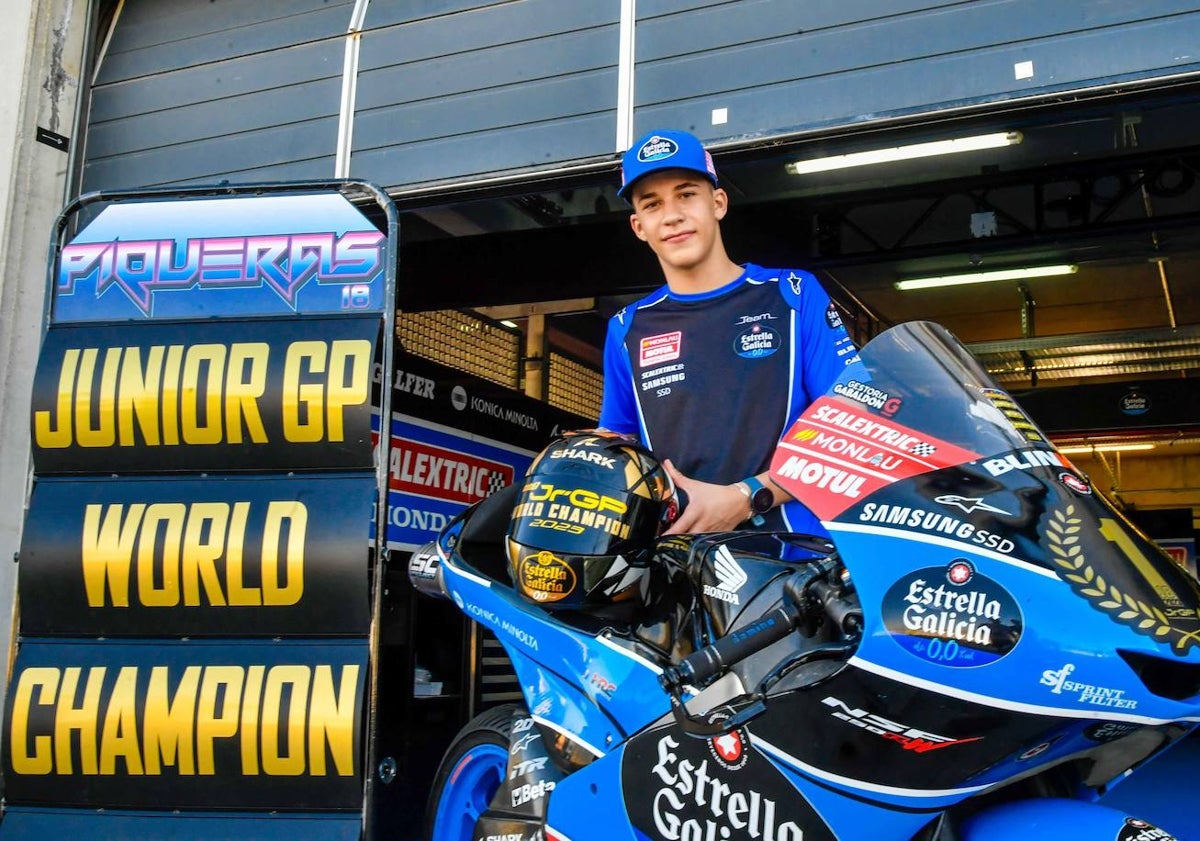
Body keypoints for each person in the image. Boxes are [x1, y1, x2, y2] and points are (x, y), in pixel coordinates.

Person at [598, 129, 859, 537]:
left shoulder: (792, 294)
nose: (672, 215)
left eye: (687, 194)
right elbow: (619, 449)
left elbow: (852, 425)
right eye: (653, 204)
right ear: (639, 226)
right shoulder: (627, 328)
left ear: (718, 203)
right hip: (682, 564)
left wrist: (749, 495)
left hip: (799, 564)